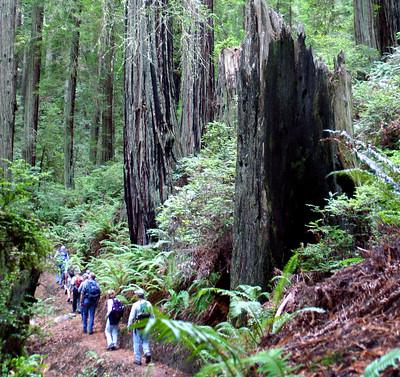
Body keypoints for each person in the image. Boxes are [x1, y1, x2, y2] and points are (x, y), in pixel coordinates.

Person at [127, 288, 154, 365]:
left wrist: (129, 326)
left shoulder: (135, 305)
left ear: (138, 296)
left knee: (137, 342)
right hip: (147, 326)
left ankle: (137, 359)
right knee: (145, 341)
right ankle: (147, 352)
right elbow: (152, 316)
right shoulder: (148, 304)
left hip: (137, 326)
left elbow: (131, 317)